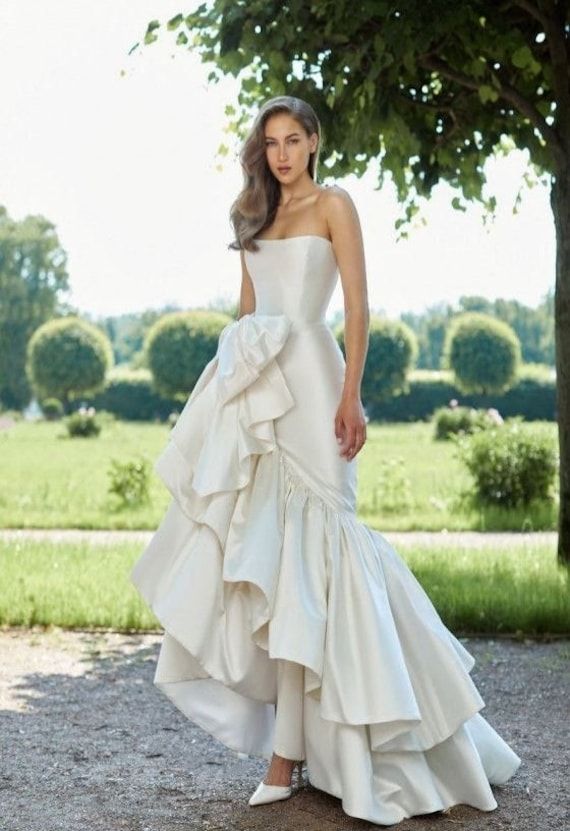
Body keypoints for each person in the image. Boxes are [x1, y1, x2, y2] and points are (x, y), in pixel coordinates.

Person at [130, 95, 522, 826]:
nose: (281, 153)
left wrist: (353, 395)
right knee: (276, 567)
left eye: (293, 139)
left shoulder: (336, 204)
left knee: (330, 547)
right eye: (271, 142)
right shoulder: (249, 214)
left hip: (314, 384)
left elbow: (357, 311)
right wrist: (226, 403)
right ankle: (286, 751)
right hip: (259, 395)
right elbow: (247, 314)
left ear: (314, 142)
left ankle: (374, 739)